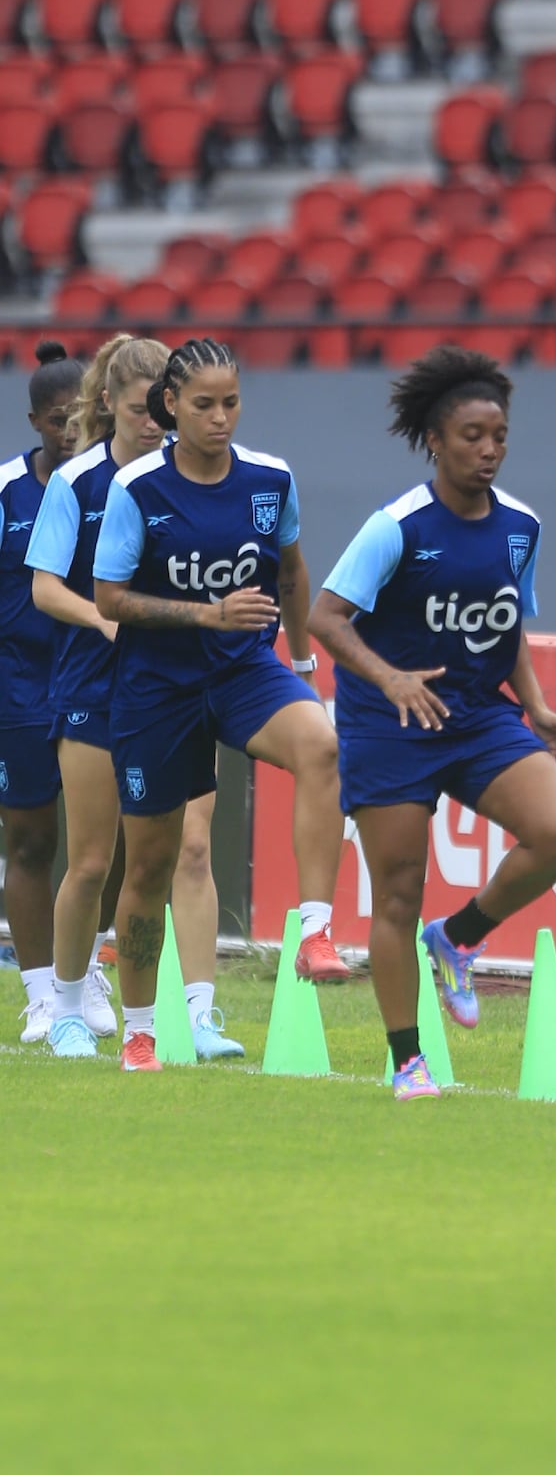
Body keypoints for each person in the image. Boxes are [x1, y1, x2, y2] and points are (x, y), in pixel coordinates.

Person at [308, 345, 556, 1103]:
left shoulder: (521, 527)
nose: (489, 449)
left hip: (476, 714)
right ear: (435, 440)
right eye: (472, 436)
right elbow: (325, 618)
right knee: (399, 893)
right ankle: (408, 1062)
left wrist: (535, 704)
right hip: (389, 721)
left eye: (499, 436)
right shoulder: (395, 526)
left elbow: (507, 625)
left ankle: (458, 937)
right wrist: (390, 677)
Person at [92, 337, 347, 1073]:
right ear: (171, 404)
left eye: (231, 402)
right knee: (150, 867)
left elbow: (291, 571)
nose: (220, 417)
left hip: (244, 670)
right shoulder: (138, 488)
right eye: (203, 404)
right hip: (156, 689)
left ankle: (315, 931)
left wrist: (302, 661)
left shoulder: (270, 479)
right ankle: (141, 1030)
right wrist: (206, 613)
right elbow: (109, 598)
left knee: (322, 744)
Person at [26, 334, 244, 1061]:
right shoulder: (78, 481)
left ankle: (198, 1016)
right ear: (108, 405)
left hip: (177, 688)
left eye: (162, 411)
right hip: (93, 686)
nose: (154, 424)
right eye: (139, 411)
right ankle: (65, 1008)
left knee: (192, 849)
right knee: (92, 860)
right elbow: (44, 587)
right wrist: (103, 617)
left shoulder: (192, 475)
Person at [0, 342, 82, 1044]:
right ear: (34, 422)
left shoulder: (117, 485)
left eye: (82, 418)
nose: (71, 431)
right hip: (20, 688)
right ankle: (40, 997)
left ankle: (85, 978)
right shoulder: (6, 492)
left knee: (109, 842)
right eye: (58, 420)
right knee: (31, 842)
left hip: (96, 681)